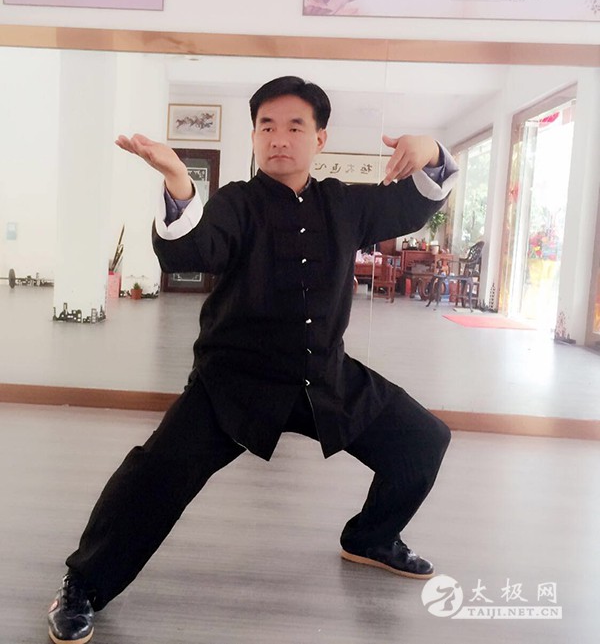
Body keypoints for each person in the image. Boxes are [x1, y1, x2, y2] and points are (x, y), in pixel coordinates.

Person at [47, 76, 458, 644]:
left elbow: (415, 203)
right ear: (254, 136)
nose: (279, 138)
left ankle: (371, 537)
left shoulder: (345, 203)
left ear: (320, 138)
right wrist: (178, 181)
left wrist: (430, 149)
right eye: (267, 126)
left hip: (324, 377)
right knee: (154, 476)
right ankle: (84, 585)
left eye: (294, 126)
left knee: (423, 441)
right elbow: (190, 250)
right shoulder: (237, 204)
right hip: (233, 383)